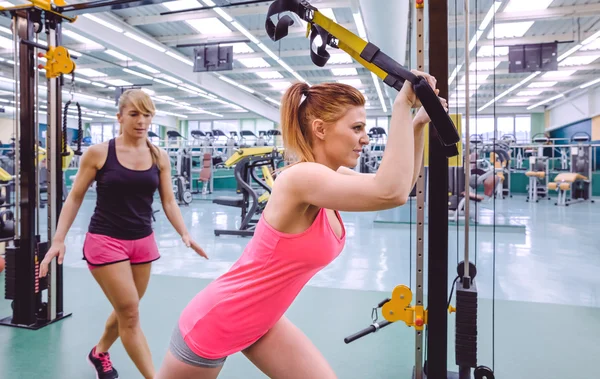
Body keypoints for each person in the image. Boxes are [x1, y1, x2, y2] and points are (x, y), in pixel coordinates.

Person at [155, 71, 447, 379]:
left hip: (262, 320)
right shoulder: (302, 178)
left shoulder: (331, 178)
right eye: (357, 127)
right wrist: (401, 106)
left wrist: (416, 125)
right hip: (218, 319)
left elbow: (399, 188)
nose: (365, 137)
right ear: (320, 129)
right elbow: (391, 192)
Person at [39, 89, 208, 379]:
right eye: (134, 114)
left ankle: (99, 352)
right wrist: (58, 239)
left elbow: (168, 201)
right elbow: (75, 196)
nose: (141, 121)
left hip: (143, 242)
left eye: (147, 114)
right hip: (105, 240)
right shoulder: (99, 153)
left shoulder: (159, 156)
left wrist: (185, 233)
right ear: (119, 118)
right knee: (130, 312)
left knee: (124, 310)